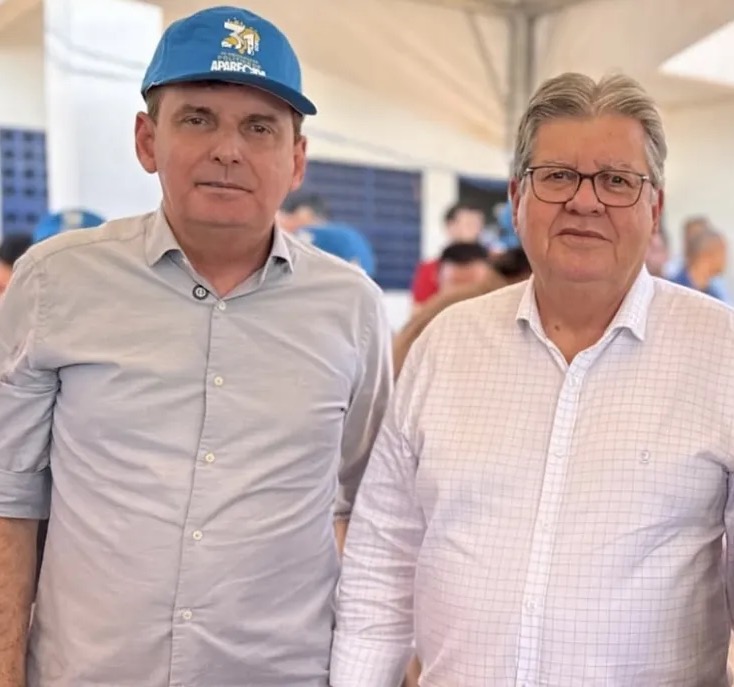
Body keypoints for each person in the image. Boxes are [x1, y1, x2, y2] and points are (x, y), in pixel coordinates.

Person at [0, 7, 392, 687]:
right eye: (198, 118)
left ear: (297, 159)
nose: (228, 150)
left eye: (260, 127)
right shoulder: (56, 281)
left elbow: (372, 506)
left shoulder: (351, 306)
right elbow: (10, 498)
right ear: (147, 140)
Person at [331, 72, 734, 686]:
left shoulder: (721, 352)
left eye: (617, 180)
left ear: (654, 208)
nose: (585, 201)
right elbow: (382, 561)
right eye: (558, 176)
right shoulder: (447, 344)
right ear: (517, 196)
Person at [278, 191, 377, 277]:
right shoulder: (344, 232)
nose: (284, 221)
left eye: (288, 216)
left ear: (305, 213)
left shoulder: (311, 233)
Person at [410, 201, 486, 305]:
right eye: (469, 224)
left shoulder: (493, 266)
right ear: (450, 226)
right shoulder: (430, 269)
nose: (475, 230)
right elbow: (419, 309)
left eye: (478, 224)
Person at [670, 227, 728, 300]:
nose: (725, 259)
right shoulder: (671, 289)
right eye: (722, 253)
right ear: (706, 256)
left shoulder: (714, 295)